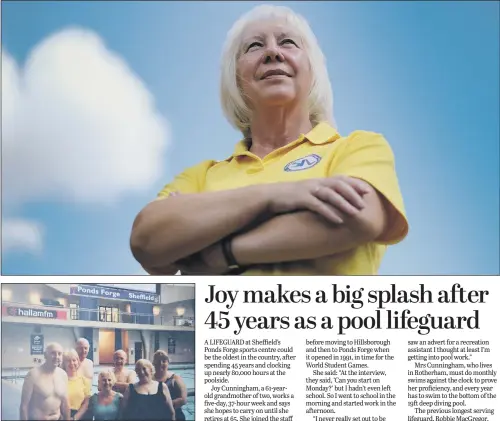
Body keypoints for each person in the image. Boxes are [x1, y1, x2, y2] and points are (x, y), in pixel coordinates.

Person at [130, 4, 409, 276]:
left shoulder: (356, 148)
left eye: (288, 42)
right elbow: (147, 240)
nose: (272, 52)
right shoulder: (201, 176)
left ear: (313, 71)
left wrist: (223, 252)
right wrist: (278, 196)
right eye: (254, 46)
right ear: (235, 77)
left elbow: (358, 217)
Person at [19, 342, 70, 421]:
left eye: (59, 354)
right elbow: (24, 406)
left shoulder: (63, 375)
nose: (57, 357)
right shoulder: (33, 375)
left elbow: (65, 404)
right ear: (45, 355)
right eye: (53, 353)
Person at [153, 351, 188, 420]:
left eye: (164, 361)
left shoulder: (175, 378)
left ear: (168, 363)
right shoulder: (150, 379)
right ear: (153, 363)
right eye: (158, 361)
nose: (161, 363)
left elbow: (183, 400)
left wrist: (162, 406)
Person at [62, 349, 92, 420]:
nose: (72, 363)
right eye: (68, 361)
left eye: (74, 360)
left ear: (78, 362)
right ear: (63, 363)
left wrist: (75, 418)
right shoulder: (60, 381)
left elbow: (86, 403)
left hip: (79, 416)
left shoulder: (85, 381)